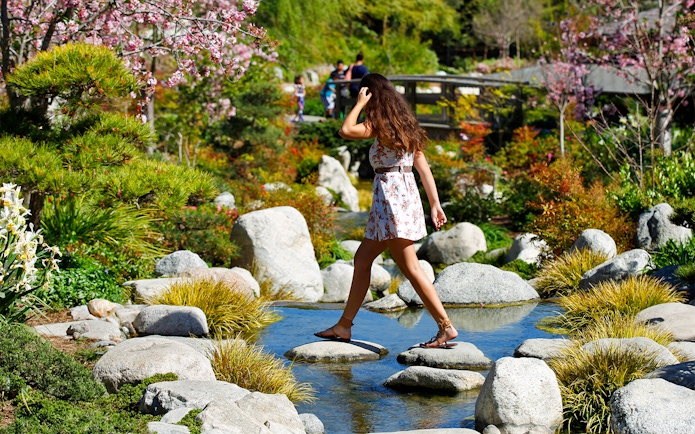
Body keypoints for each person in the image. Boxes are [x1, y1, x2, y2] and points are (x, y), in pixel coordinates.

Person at [314, 73, 458, 349]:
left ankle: (446, 327)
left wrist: (357, 104)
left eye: (365, 95)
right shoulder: (403, 126)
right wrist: (435, 204)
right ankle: (344, 325)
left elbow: (345, 130)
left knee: (411, 268)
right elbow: (423, 170)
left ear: (371, 95)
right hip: (398, 201)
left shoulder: (379, 126)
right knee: (362, 259)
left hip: (392, 203)